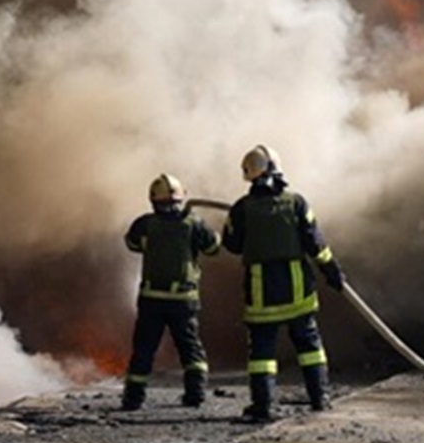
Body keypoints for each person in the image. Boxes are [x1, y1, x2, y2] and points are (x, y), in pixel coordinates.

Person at [221, 145, 346, 422]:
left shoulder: (241, 209)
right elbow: (316, 244)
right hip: (297, 288)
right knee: (309, 345)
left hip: (261, 291)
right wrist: (332, 271)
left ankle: (263, 406)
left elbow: (231, 245)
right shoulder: (297, 203)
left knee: (262, 352)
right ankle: (320, 399)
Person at [120, 173, 221, 411]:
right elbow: (213, 248)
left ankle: (133, 399)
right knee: (190, 348)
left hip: (151, 299)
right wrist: (209, 232)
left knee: (143, 350)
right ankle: (195, 394)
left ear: (154, 200)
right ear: (180, 197)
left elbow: (132, 243)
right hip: (183, 299)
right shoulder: (193, 223)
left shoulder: (144, 224)